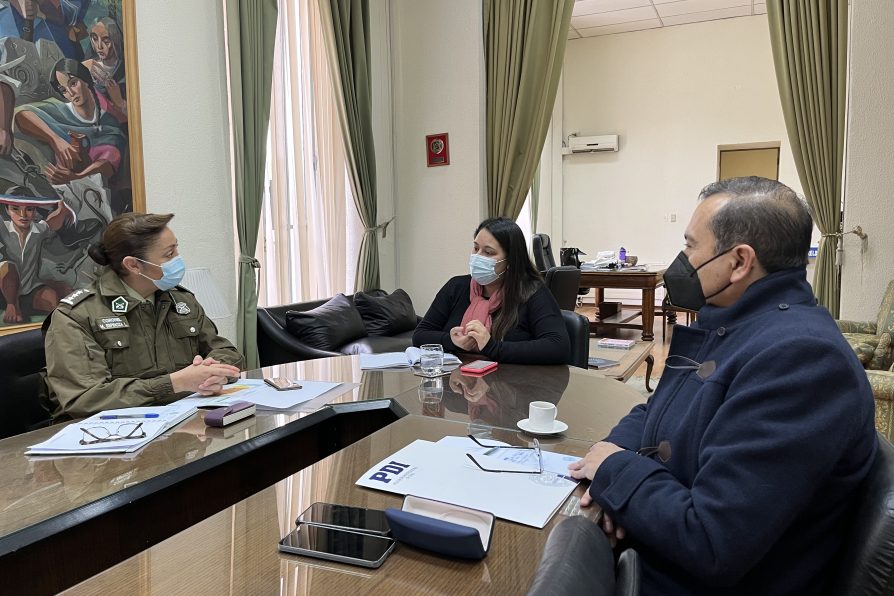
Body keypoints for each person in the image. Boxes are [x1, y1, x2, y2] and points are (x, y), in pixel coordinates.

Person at [567, 177, 877, 594]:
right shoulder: (734, 323)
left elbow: (711, 540)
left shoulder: (802, 360)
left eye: (691, 245)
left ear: (739, 262)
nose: (681, 258)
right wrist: (608, 456)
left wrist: (615, 472)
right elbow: (656, 409)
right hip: (654, 551)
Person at [43, 212, 245, 420]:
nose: (178, 259)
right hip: (114, 438)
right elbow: (86, 398)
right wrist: (176, 383)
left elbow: (226, 351)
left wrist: (212, 372)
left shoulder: (180, 300)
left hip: (185, 424)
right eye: (169, 254)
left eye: (176, 248)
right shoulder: (75, 315)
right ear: (133, 265)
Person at [413, 217, 569, 364]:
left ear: (510, 260)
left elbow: (557, 347)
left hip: (513, 386)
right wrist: (451, 341)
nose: (477, 257)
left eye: (488, 252)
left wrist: (492, 347)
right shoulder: (456, 287)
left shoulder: (533, 292)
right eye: (475, 248)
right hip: (458, 382)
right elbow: (420, 334)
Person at [14, 58, 127, 185]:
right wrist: (55, 139)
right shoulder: (60, 109)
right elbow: (22, 114)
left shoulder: (108, 121)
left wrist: (77, 177)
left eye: (73, 83)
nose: (71, 93)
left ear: (86, 80)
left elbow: (109, 164)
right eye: (64, 90)